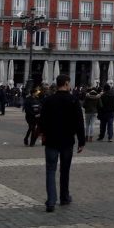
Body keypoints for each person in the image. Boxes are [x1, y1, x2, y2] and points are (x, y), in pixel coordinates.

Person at [40, 75, 85, 212]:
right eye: (69, 83)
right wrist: (81, 141)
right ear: (66, 83)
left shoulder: (48, 100)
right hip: (67, 141)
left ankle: (51, 201)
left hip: (51, 140)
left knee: (50, 170)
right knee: (65, 170)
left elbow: (42, 120)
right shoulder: (73, 100)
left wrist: (43, 133)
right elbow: (79, 121)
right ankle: (64, 197)